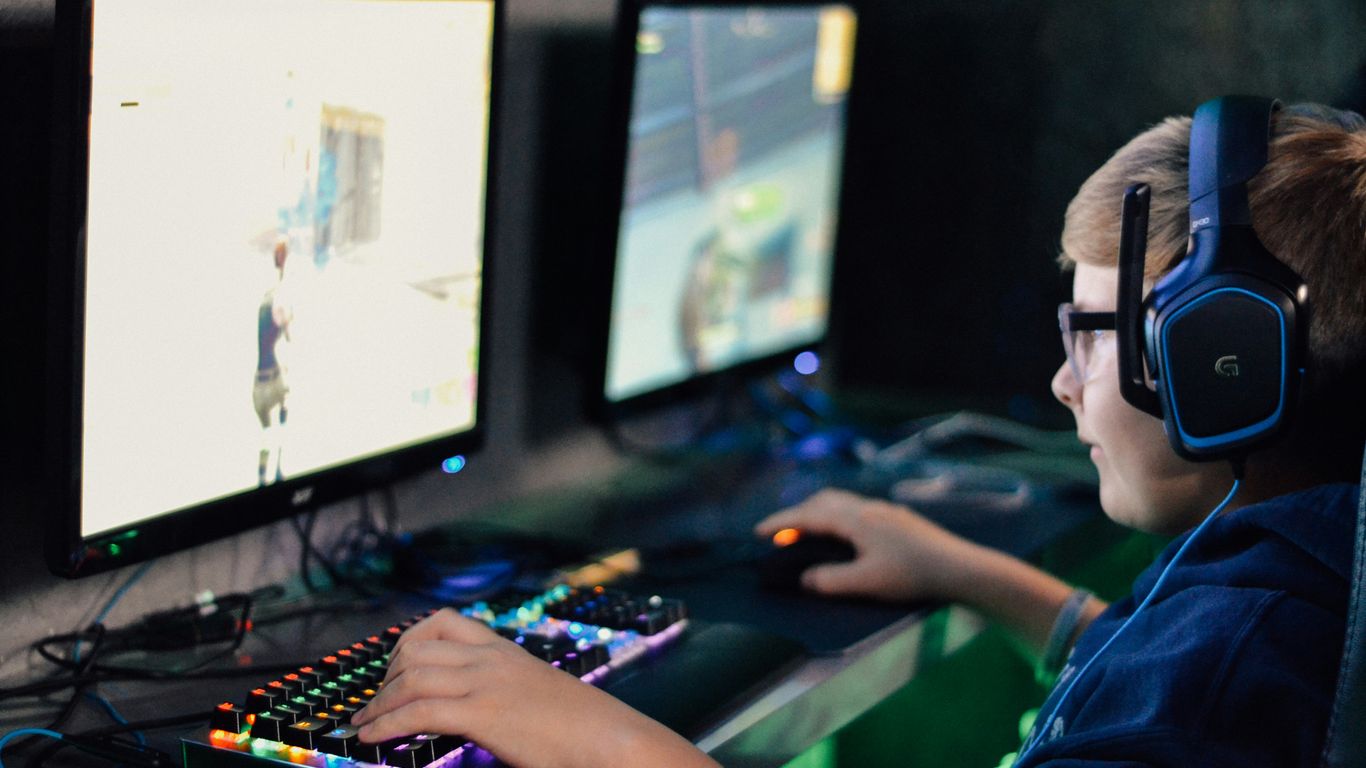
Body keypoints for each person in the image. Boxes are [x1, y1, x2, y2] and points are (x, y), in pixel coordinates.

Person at [349, 101, 1366, 767]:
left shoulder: (1244, 638)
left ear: (1227, 358)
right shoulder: (1289, 563)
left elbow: (1180, 697)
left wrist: (587, 733)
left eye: (1097, 339)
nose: (1061, 383)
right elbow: (1142, 680)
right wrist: (966, 571)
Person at [254, 237, 294, 486]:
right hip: (270, 383)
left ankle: (265, 477)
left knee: (267, 434)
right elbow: (285, 327)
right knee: (280, 420)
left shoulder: (267, 297)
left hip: (259, 384)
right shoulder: (277, 300)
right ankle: (276, 472)